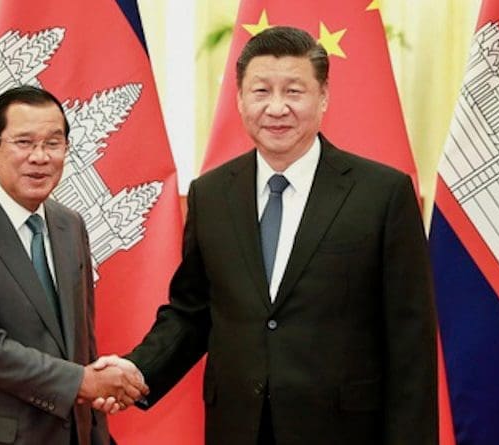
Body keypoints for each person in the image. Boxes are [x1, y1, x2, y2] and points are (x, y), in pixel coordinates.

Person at [94, 26, 437, 444]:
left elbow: (411, 345)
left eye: (294, 91)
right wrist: (137, 370)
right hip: (239, 428)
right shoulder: (212, 193)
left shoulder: (382, 194)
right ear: (239, 99)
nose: (277, 108)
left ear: (323, 97)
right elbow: (192, 312)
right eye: (261, 92)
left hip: (344, 431)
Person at [0, 86, 147, 445]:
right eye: (24, 142)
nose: (40, 157)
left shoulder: (69, 225)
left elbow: (82, 343)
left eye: (53, 144)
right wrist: (81, 382)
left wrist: (95, 432)